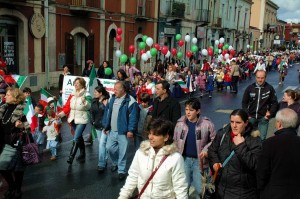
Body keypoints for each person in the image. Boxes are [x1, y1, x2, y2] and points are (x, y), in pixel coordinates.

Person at [118, 118, 188, 199]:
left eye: (155, 134)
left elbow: (180, 187)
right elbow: (133, 177)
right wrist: (123, 196)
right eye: (150, 133)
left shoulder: (175, 158)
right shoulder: (141, 153)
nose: (150, 137)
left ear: (166, 137)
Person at [208, 109, 262, 199]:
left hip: (242, 193)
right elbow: (212, 150)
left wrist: (241, 145)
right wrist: (214, 163)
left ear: (246, 123)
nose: (234, 126)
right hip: (220, 189)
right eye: (232, 122)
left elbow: (255, 164)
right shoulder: (223, 134)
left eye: (238, 122)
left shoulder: (254, 140)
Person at [173, 98, 216, 197]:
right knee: (182, 187)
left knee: (200, 188)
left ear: (198, 111)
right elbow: (175, 140)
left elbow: (214, 141)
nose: (188, 112)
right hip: (184, 160)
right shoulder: (180, 123)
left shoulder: (207, 124)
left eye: (191, 110)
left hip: (199, 161)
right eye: (186, 109)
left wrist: (206, 150)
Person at [256, 108, 300, 198]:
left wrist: (260, 188)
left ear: (279, 123)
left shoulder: (269, 143)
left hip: (273, 193)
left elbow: (262, 171)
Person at [103, 81, 138, 180]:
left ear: (123, 90)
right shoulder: (112, 98)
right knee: (109, 148)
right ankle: (115, 162)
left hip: (123, 131)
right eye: (114, 89)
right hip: (112, 130)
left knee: (122, 152)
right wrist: (106, 126)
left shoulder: (131, 101)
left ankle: (121, 170)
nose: (114, 91)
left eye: (116, 89)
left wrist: (131, 130)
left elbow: (133, 117)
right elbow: (108, 112)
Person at [0, 88, 31, 198]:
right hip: (4, 143)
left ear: (15, 98)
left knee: (18, 169)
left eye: (8, 95)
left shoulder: (22, 110)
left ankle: (17, 189)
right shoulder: (3, 109)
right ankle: (12, 186)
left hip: (18, 143)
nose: (5, 96)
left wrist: (22, 125)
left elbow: (30, 127)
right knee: (2, 166)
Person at [57, 77, 92, 164]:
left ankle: (71, 157)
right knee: (79, 137)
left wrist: (85, 102)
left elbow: (89, 107)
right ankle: (82, 154)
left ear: (82, 85)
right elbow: (67, 107)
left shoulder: (86, 94)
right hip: (72, 119)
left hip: (82, 119)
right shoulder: (72, 95)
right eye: (75, 83)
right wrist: (60, 115)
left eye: (78, 83)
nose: (75, 84)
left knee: (76, 137)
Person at [242, 70, 278, 140]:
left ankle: (261, 150)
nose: (260, 80)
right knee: (249, 138)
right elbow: (244, 103)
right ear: (255, 77)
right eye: (258, 77)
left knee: (262, 138)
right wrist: (247, 114)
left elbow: (274, 102)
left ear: (265, 78)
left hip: (263, 118)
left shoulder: (269, 88)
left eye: (262, 78)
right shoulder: (250, 88)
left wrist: (270, 113)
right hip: (251, 117)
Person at [90, 85, 110, 172]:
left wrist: (103, 104)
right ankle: (104, 160)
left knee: (102, 144)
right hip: (97, 125)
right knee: (101, 144)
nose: (94, 93)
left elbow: (108, 112)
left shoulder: (107, 100)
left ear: (101, 93)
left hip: (105, 126)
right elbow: (92, 112)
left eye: (96, 92)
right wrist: (93, 121)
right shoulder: (93, 101)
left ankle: (101, 163)